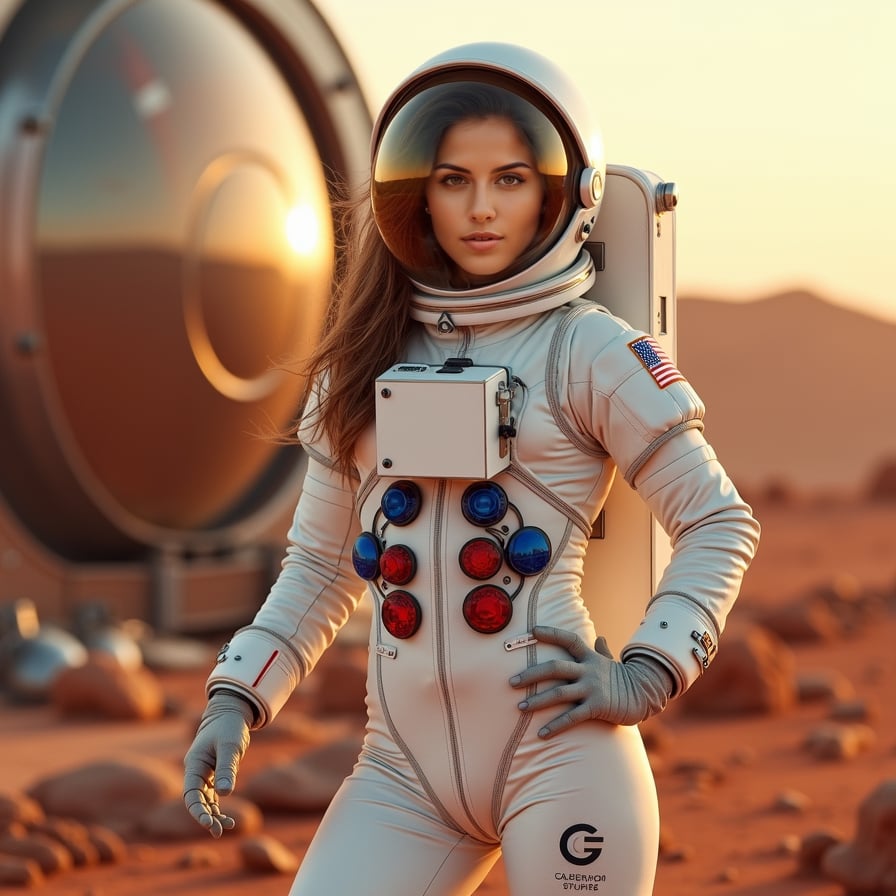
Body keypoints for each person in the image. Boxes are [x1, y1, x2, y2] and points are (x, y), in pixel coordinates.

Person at [183, 41, 760, 896]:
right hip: (402, 772)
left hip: (560, 757)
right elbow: (317, 568)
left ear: (562, 195)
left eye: (511, 179)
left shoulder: (587, 349)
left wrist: (643, 672)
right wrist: (236, 696)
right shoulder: (362, 360)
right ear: (414, 194)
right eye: (453, 180)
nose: (480, 209)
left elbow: (719, 520)